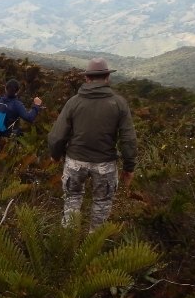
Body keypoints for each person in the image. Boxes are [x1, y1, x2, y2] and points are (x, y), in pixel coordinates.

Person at [48, 58, 137, 230]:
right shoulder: (119, 103)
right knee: (102, 205)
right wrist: (129, 167)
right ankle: (93, 247)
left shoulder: (73, 102)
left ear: (87, 78)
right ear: (107, 78)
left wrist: (55, 155)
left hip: (75, 162)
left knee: (72, 201)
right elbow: (128, 139)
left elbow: (58, 134)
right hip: (105, 164)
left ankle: (68, 243)